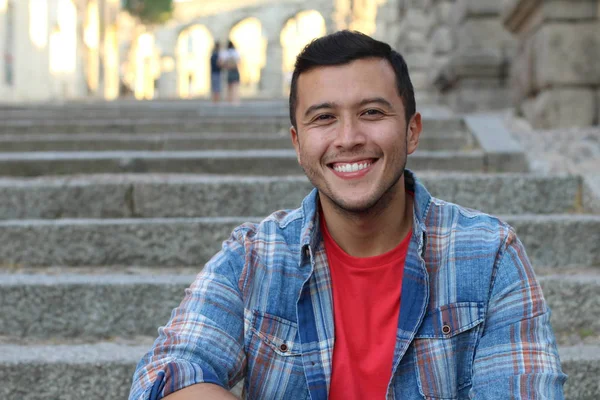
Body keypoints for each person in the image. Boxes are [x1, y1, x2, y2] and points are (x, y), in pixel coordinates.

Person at [129, 30, 566, 399]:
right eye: (324, 118)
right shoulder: (254, 258)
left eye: (372, 113)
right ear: (298, 144)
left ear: (412, 131)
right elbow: (169, 373)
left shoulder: (489, 254)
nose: (349, 137)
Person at [220, 40, 241, 104]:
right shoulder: (235, 52)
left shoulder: (225, 52)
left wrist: (226, 66)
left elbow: (221, 62)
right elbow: (239, 61)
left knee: (229, 87)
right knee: (235, 86)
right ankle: (236, 100)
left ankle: (229, 100)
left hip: (228, 71)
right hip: (235, 70)